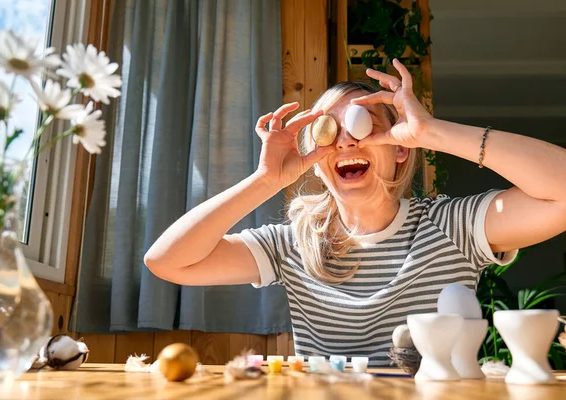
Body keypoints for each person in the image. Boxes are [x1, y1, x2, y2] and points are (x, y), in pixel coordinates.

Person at [144, 59, 566, 366]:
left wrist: (431, 132)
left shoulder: (452, 227)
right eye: (329, 131)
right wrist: (266, 180)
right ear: (315, 155)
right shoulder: (294, 243)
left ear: (400, 148)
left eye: (363, 125)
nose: (345, 142)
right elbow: (167, 261)